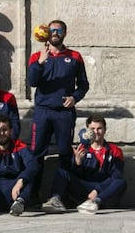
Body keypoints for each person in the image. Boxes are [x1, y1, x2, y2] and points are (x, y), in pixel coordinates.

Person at [28, 19, 89, 170]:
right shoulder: (37, 56)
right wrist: (40, 63)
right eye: (52, 30)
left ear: (65, 34)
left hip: (64, 112)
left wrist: (74, 98)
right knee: (37, 152)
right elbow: (32, 82)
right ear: (47, 33)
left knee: (65, 152)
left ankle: (60, 192)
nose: (55, 33)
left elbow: (83, 84)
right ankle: (32, 192)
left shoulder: (75, 56)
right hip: (43, 110)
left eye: (59, 31)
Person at [42, 114, 126, 214]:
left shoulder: (115, 150)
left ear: (105, 130)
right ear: (88, 130)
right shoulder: (82, 149)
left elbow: (116, 175)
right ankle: (55, 200)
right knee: (62, 172)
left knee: (120, 182)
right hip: (84, 188)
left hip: (104, 191)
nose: (96, 132)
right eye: (93, 129)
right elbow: (77, 175)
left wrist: (97, 191)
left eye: (99, 129)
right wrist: (77, 162)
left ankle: (95, 202)